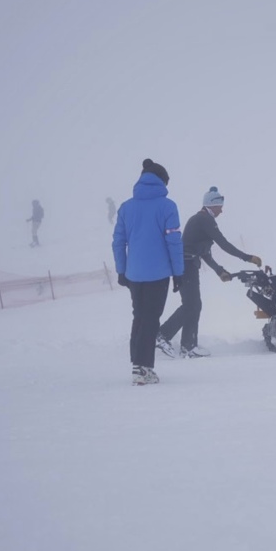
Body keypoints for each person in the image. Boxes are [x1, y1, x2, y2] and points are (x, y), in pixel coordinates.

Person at [157, 187, 262, 359]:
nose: (222, 210)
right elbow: (223, 243)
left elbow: (204, 252)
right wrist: (247, 257)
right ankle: (162, 335)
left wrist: (219, 271)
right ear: (211, 205)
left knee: (194, 305)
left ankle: (188, 346)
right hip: (186, 265)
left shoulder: (201, 220)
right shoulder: (204, 220)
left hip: (187, 264)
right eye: (219, 206)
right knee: (191, 305)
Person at [113, 158, 185, 385]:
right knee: (151, 319)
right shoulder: (167, 206)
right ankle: (143, 369)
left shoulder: (126, 207)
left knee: (140, 316)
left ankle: (137, 364)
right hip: (158, 274)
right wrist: (178, 273)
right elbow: (174, 242)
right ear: (162, 182)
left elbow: (118, 242)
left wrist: (121, 270)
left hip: (134, 274)